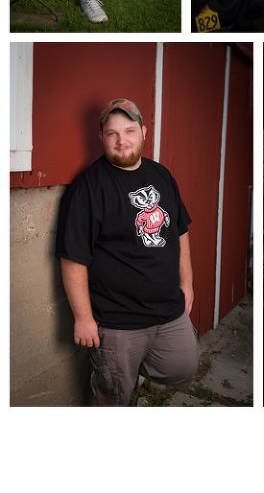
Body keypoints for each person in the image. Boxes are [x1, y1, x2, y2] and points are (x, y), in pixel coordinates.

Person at [56, 98, 198, 406]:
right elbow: (73, 258)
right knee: (114, 395)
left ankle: (132, 368)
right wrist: (83, 318)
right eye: (112, 133)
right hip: (117, 320)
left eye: (130, 130)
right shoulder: (89, 188)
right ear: (101, 138)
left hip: (166, 309)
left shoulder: (162, 175)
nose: (122, 140)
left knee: (183, 367)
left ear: (144, 132)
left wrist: (187, 283)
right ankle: (109, 376)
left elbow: (180, 231)